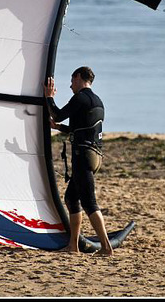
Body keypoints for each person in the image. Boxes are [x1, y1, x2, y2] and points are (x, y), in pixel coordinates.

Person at [44, 66, 113, 256]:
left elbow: (57, 113)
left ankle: (106, 247)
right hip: (94, 155)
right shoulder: (96, 101)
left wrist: (49, 96)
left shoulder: (80, 98)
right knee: (71, 198)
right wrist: (59, 128)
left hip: (83, 156)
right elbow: (82, 128)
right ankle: (73, 245)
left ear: (79, 77)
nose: (70, 85)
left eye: (72, 80)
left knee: (89, 203)